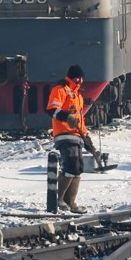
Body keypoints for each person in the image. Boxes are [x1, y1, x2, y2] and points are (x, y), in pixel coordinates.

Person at [46, 64, 101, 214]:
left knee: (77, 168)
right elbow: (51, 110)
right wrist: (67, 117)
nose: (80, 80)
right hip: (64, 133)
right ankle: (60, 200)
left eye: (82, 78)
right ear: (70, 77)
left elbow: (80, 120)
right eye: (77, 77)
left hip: (76, 135)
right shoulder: (60, 89)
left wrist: (87, 139)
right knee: (71, 165)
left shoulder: (78, 96)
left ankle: (70, 202)